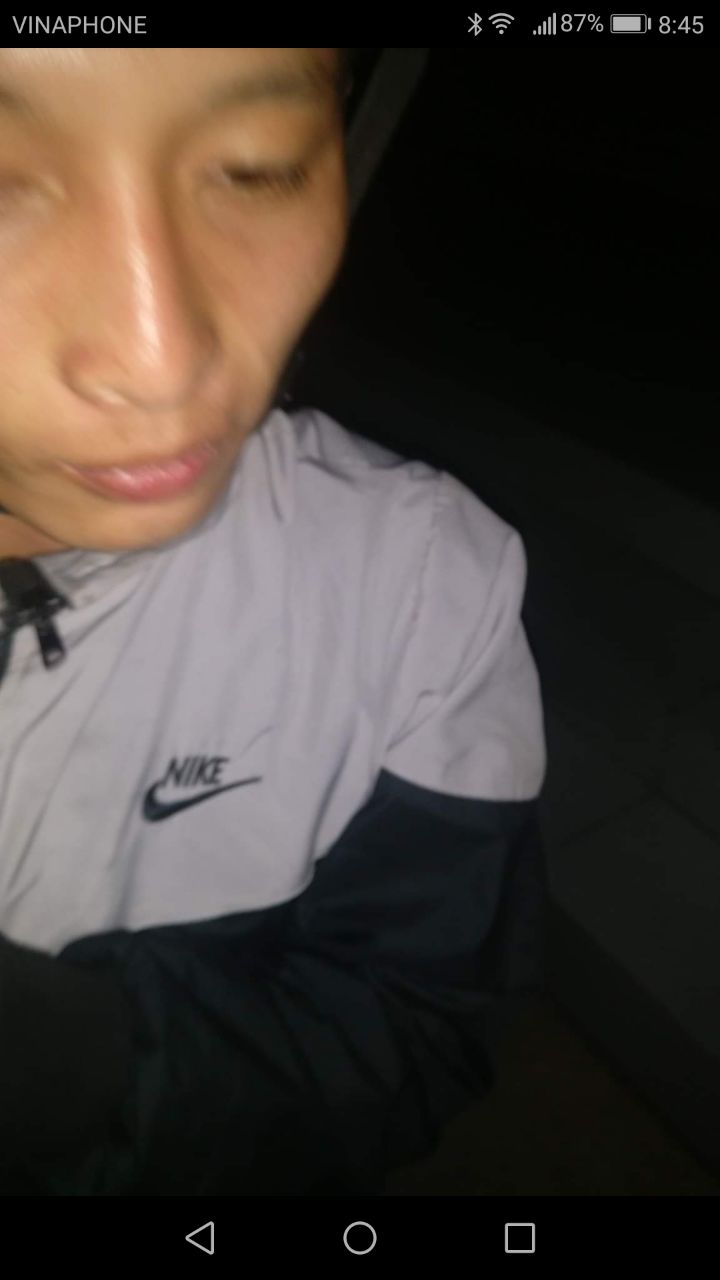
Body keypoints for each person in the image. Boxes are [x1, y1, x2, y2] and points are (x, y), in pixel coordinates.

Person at [0, 46, 547, 1196]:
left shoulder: (417, 586)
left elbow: (415, 1030)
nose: (163, 359)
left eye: (257, 169)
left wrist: (84, 1061)